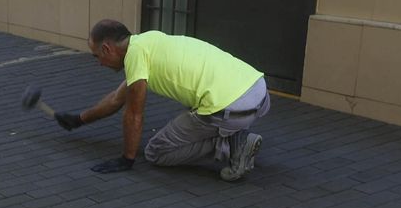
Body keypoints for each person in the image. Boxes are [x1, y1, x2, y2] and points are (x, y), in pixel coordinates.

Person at [57, 19, 270, 181]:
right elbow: (116, 99)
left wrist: (127, 159)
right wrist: (79, 120)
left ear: (107, 48)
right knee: (196, 106)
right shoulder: (147, 42)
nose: (99, 63)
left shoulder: (135, 56)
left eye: (97, 56)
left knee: (156, 152)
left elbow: (134, 115)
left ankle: (230, 145)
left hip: (231, 108)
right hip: (257, 91)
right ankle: (233, 134)